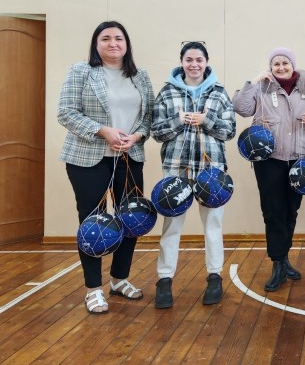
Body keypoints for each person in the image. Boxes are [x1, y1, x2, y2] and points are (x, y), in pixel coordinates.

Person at [58, 21, 154, 314]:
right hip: (88, 158)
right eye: (106, 38)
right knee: (93, 223)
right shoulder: (81, 71)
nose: (113, 43)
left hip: (129, 157)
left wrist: (136, 136)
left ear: (127, 44)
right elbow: (66, 112)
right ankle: (93, 289)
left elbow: (148, 118)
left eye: (118, 38)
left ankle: (119, 279)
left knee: (132, 219)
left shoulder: (140, 76)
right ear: (96, 44)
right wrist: (103, 131)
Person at [234, 47, 305, 292]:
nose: (281, 67)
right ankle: (277, 263)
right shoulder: (261, 88)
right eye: (276, 64)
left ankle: (284, 258)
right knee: (273, 211)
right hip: (269, 160)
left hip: (300, 160)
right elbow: (241, 108)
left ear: (292, 65)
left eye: (285, 63)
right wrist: (254, 81)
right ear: (270, 67)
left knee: (290, 211)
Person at [151, 41, 236, 308]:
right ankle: (164, 280)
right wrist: (179, 120)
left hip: (211, 172)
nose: (194, 64)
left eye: (199, 60)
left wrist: (205, 120)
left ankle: (214, 277)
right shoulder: (167, 92)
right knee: (171, 226)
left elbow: (229, 131)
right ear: (182, 62)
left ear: (206, 62)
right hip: (176, 169)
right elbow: (157, 132)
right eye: (189, 59)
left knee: (213, 226)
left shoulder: (219, 92)